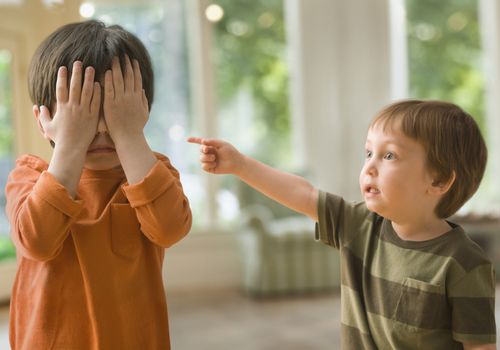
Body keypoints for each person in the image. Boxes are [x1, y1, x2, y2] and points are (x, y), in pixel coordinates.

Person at [189, 99, 496, 350]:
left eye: (389, 155)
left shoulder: (465, 263)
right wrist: (241, 165)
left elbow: (479, 347)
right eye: (368, 152)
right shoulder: (358, 224)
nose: (370, 167)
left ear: (439, 180)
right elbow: (304, 193)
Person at [5, 20, 192, 349]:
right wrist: (70, 145)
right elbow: (38, 241)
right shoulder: (29, 176)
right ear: (44, 121)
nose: (103, 127)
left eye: (115, 110)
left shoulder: (152, 172)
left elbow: (169, 229)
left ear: (141, 110)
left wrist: (130, 135)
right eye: (84, 112)